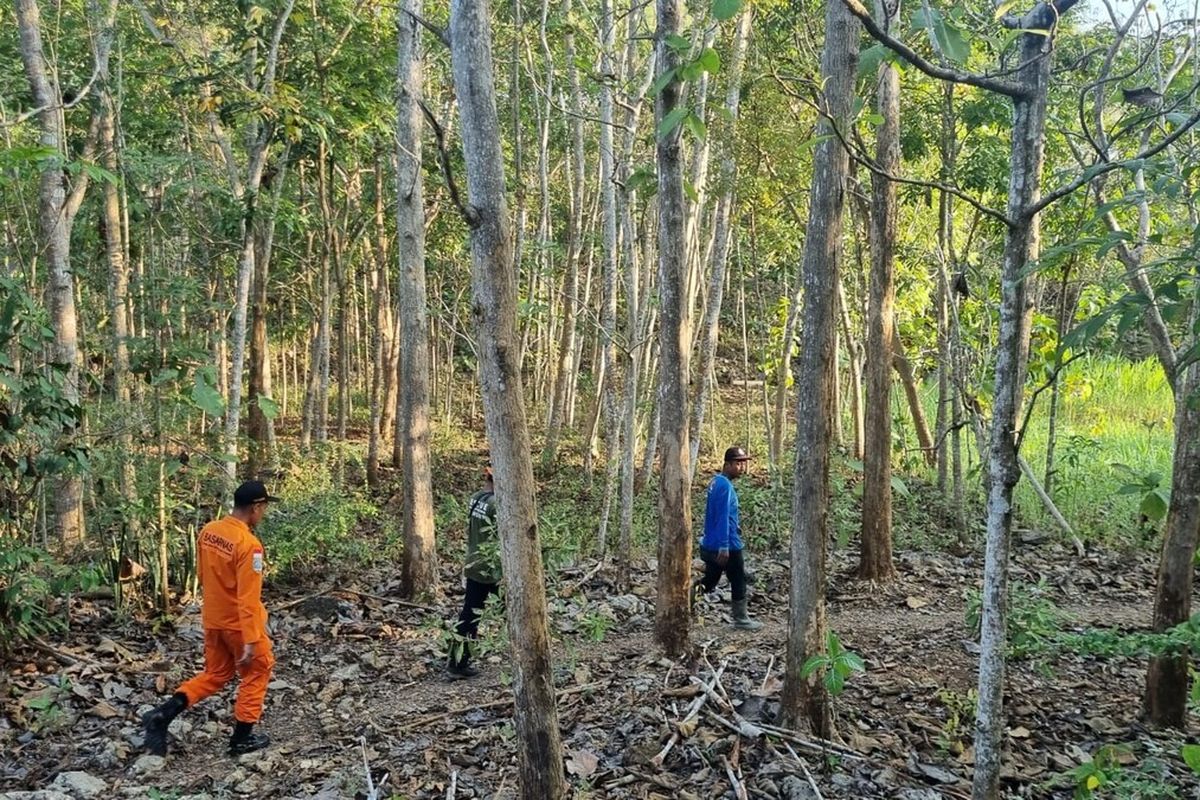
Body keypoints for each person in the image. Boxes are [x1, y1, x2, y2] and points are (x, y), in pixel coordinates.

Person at [143, 480, 279, 756]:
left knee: (216, 674)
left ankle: (162, 715)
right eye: (264, 508)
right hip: (238, 625)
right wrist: (252, 639)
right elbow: (248, 598)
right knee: (258, 671)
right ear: (256, 507)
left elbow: (203, 576)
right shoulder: (249, 545)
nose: (263, 513)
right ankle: (242, 739)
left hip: (213, 619)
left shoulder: (209, 531)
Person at [695, 446, 763, 631]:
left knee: (710, 580)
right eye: (738, 464)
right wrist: (724, 545)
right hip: (727, 544)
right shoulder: (725, 486)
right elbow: (723, 515)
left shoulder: (715, 482)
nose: (742, 467)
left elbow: (717, 514)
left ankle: (686, 602)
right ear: (728, 464)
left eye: (743, 463)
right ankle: (741, 619)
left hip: (712, 542)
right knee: (738, 578)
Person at [448, 462, 501, 679]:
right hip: (490, 569)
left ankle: (457, 660)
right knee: (512, 610)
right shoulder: (497, 504)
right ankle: (458, 663)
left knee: (469, 614)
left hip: (473, 563)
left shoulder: (476, 498)